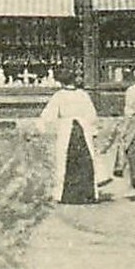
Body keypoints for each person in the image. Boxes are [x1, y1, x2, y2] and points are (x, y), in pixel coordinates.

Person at [38, 71, 100, 204]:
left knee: (66, 160)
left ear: (61, 82)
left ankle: (68, 195)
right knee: (84, 161)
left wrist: (44, 126)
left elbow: (49, 115)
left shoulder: (59, 96)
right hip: (82, 129)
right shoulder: (83, 95)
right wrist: (92, 129)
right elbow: (92, 114)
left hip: (66, 129)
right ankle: (87, 194)